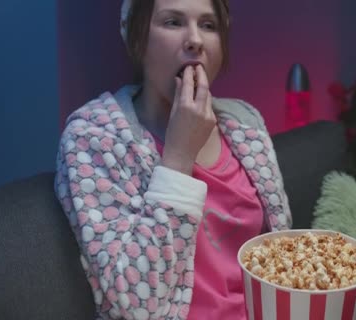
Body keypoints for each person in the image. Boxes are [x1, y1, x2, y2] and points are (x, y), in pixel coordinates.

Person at [54, 0, 292, 318]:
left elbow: (276, 258)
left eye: (209, 25)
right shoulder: (94, 137)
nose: (195, 39)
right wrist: (179, 154)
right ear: (136, 39)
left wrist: (330, 270)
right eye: (172, 22)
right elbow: (134, 304)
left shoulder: (244, 122)